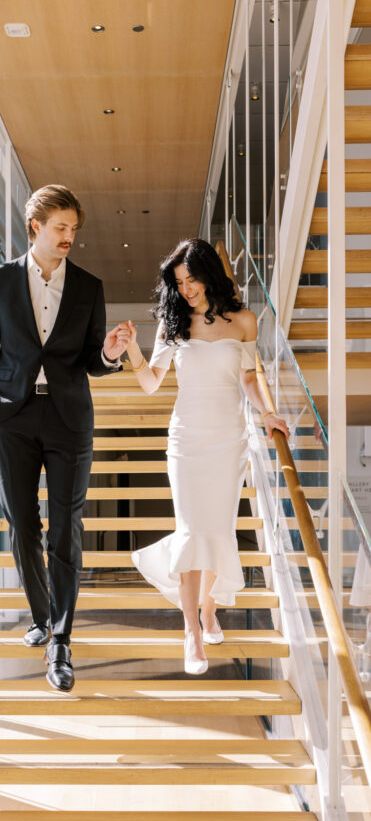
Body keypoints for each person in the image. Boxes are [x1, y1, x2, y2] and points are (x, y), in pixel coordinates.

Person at [0, 184, 131, 691]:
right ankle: (41, 617)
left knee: (66, 529)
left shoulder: (88, 287)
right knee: (22, 525)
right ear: (35, 226)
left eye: (73, 230)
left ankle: (60, 640)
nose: (69, 238)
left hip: (68, 419)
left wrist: (108, 352)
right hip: (12, 418)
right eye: (60, 228)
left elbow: (92, 362)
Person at [123, 238, 289, 675]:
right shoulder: (172, 323)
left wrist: (267, 413)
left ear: (210, 274)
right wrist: (134, 351)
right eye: (179, 283)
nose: (186, 290)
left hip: (229, 439)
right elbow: (151, 382)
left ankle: (210, 605)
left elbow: (250, 377)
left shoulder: (244, 321)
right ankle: (191, 631)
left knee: (217, 532)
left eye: (192, 279)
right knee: (193, 530)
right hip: (187, 440)